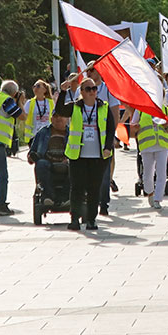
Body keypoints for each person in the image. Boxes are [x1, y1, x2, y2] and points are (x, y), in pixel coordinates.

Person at [55, 77, 115, 230]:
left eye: (94, 89)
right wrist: (63, 92)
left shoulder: (104, 107)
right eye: (88, 89)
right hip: (78, 155)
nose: (92, 92)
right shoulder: (75, 106)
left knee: (94, 189)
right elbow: (60, 111)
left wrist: (108, 147)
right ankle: (75, 219)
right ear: (81, 92)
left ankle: (91, 219)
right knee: (77, 188)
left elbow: (110, 129)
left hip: (98, 156)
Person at [86, 63, 120, 215]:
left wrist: (112, 136)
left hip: (104, 137)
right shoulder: (82, 90)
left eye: (94, 70)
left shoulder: (108, 89)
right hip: (86, 139)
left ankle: (104, 203)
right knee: (88, 174)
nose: (92, 73)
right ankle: (89, 202)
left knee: (105, 173)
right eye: (90, 70)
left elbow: (114, 113)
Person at [0, 81, 27, 215]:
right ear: (14, 93)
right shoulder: (8, 101)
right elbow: (22, 116)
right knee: (2, 176)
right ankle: (1, 205)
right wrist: (20, 102)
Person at [130, 105, 168, 210]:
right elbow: (132, 126)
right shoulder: (140, 110)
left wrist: (167, 125)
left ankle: (158, 199)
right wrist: (135, 127)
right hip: (147, 145)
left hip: (162, 144)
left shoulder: (165, 109)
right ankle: (150, 193)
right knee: (148, 173)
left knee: (161, 172)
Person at [27, 112, 69, 206]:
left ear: (67, 119)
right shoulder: (43, 132)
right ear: (51, 119)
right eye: (55, 116)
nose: (58, 119)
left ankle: (66, 197)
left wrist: (68, 159)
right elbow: (32, 153)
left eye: (61, 116)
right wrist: (32, 157)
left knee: (75, 165)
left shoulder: (72, 133)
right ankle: (49, 196)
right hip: (47, 162)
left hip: (66, 161)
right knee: (41, 164)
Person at [24, 79, 54, 144]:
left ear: (44, 90)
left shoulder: (50, 103)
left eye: (38, 86)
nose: (35, 88)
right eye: (34, 86)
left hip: (47, 134)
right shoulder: (30, 103)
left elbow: (54, 116)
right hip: (33, 135)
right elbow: (24, 116)